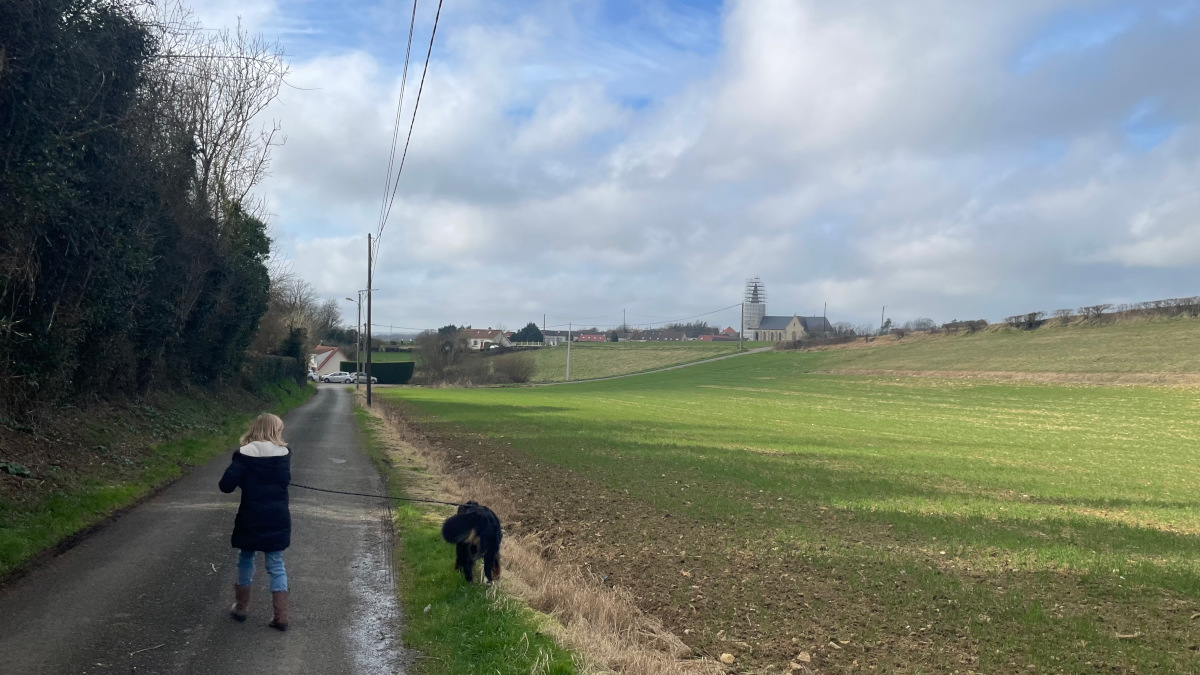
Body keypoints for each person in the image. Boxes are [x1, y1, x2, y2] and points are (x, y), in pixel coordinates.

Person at [219, 413, 292, 631]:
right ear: (273, 430)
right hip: (277, 516)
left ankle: (241, 607)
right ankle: (282, 616)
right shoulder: (284, 454)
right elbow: (284, 482)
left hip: (251, 515)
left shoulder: (244, 454)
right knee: (276, 564)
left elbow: (226, 485)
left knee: (245, 558)